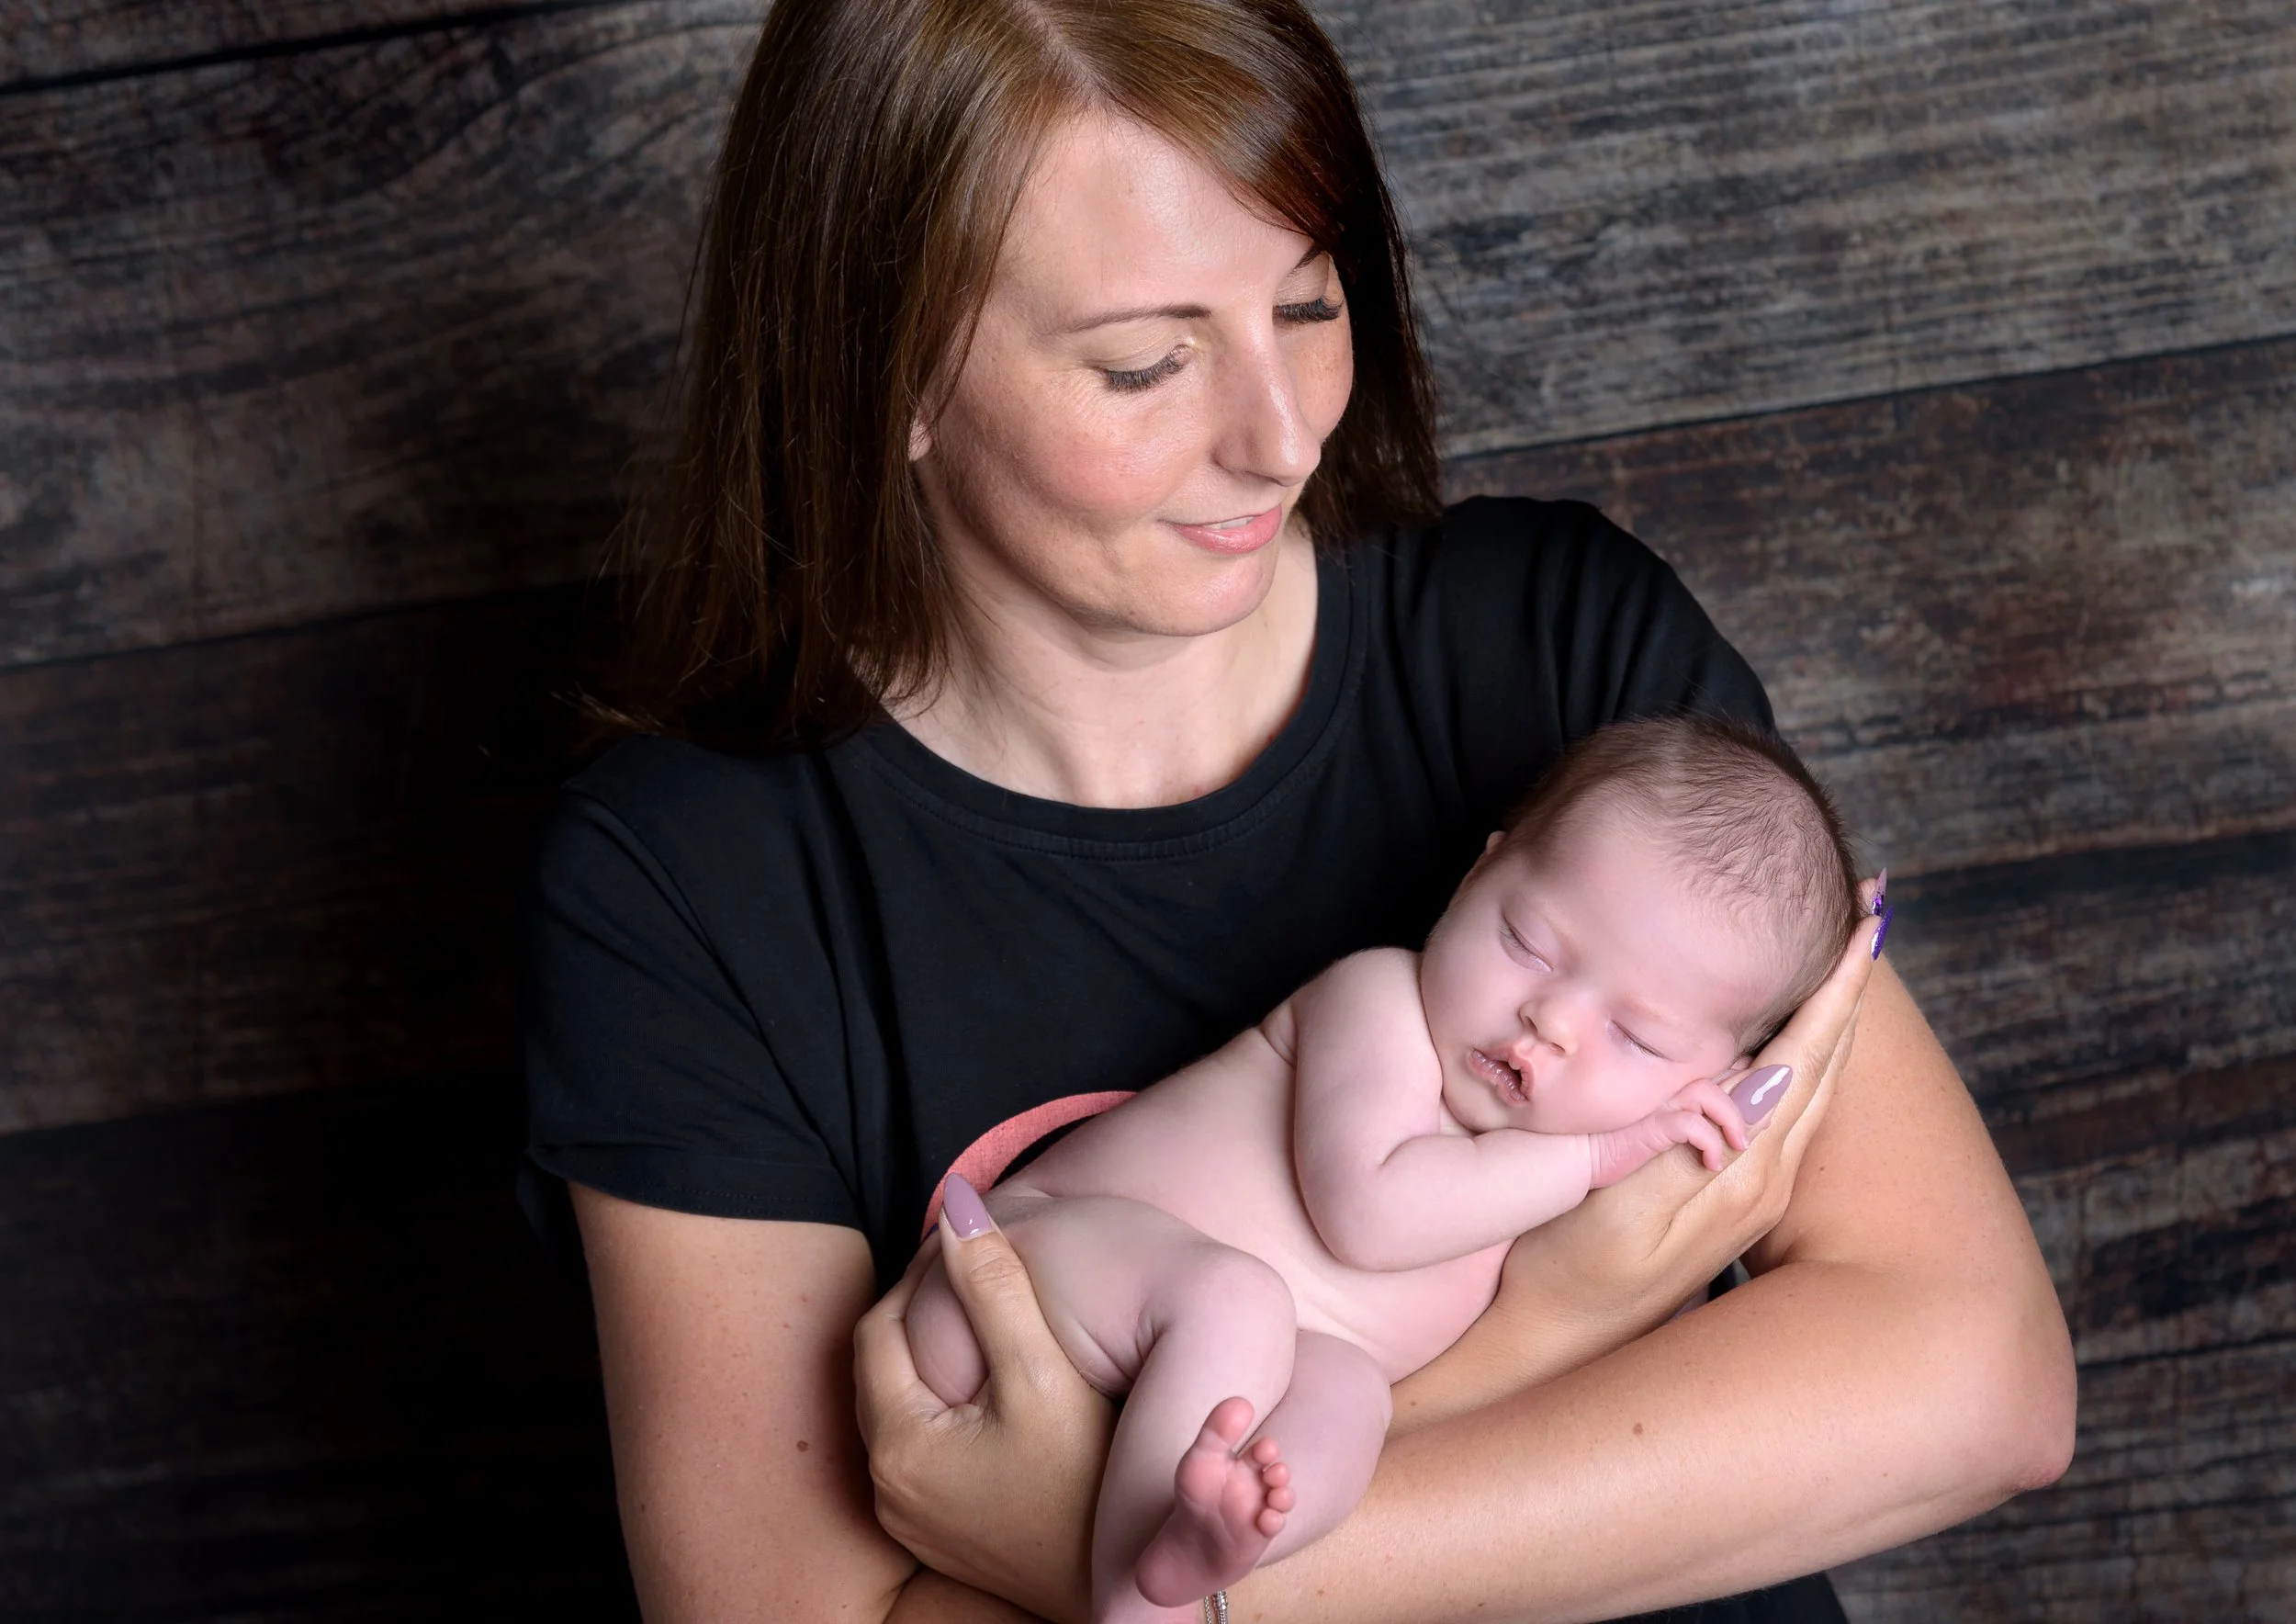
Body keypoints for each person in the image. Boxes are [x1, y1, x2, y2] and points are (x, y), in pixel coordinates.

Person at [520, 2, 2077, 1620]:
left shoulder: (1554, 658)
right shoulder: (684, 882)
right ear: (886, 371)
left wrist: (1156, 1578)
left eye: (1308, 302)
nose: (1281, 437)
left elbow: (1984, 1379)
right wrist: (1545, 1329)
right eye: (1147, 360)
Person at [902, 717, 1881, 1623]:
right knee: (1237, 1300)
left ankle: (1224, 1538)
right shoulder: (1380, 1005)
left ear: (1716, 1081)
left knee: (1349, 1405)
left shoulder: (1570, 1188)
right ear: (1477, 876)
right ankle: (1137, 1607)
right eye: (1527, 943)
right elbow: (1368, 1213)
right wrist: (1593, 1155)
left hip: (1169, 1405)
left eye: (1636, 1036)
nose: (1550, 1020)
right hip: (1027, 1283)